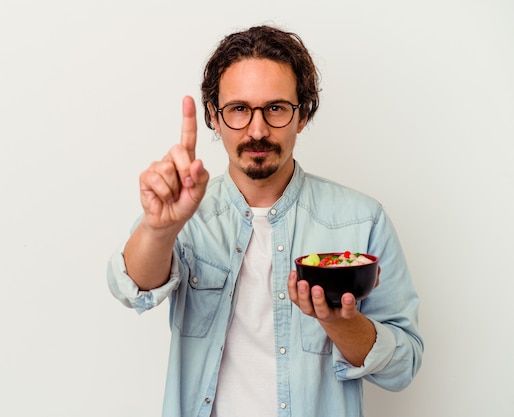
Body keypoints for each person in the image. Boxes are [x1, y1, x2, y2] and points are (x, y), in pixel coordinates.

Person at [107, 25, 423, 417]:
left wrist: (340, 322)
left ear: (302, 114)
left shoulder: (362, 219)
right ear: (214, 117)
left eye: (275, 108)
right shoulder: (184, 210)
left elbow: (403, 367)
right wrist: (159, 228)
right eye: (239, 109)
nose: (257, 130)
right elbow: (130, 288)